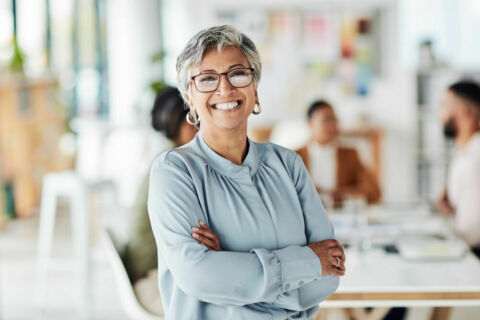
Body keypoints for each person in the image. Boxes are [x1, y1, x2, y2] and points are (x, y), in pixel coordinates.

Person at [148, 25, 345, 319]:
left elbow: (329, 274)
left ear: (254, 87)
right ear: (190, 97)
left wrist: (230, 272)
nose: (224, 88)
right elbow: (198, 276)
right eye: (207, 79)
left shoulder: (288, 164)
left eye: (238, 73)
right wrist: (305, 262)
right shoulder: (174, 172)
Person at [123, 86, 197, 315]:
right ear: (180, 122)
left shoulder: (169, 154)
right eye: (194, 119)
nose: (199, 126)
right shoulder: (173, 163)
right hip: (153, 279)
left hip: (153, 270)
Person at [296, 100, 381, 207]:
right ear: (310, 123)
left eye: (334, 120)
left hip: (340, 218)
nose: (332, 125)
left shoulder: (349, 155)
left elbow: (374, 191)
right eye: (326, 120)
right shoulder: (295, 156)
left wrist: (343, 194)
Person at [436, 80, 480, 258]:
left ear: (463, 111)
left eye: (444, 106)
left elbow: (472, 231)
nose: (440, 115)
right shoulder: (463, 152)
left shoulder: (474, 158)